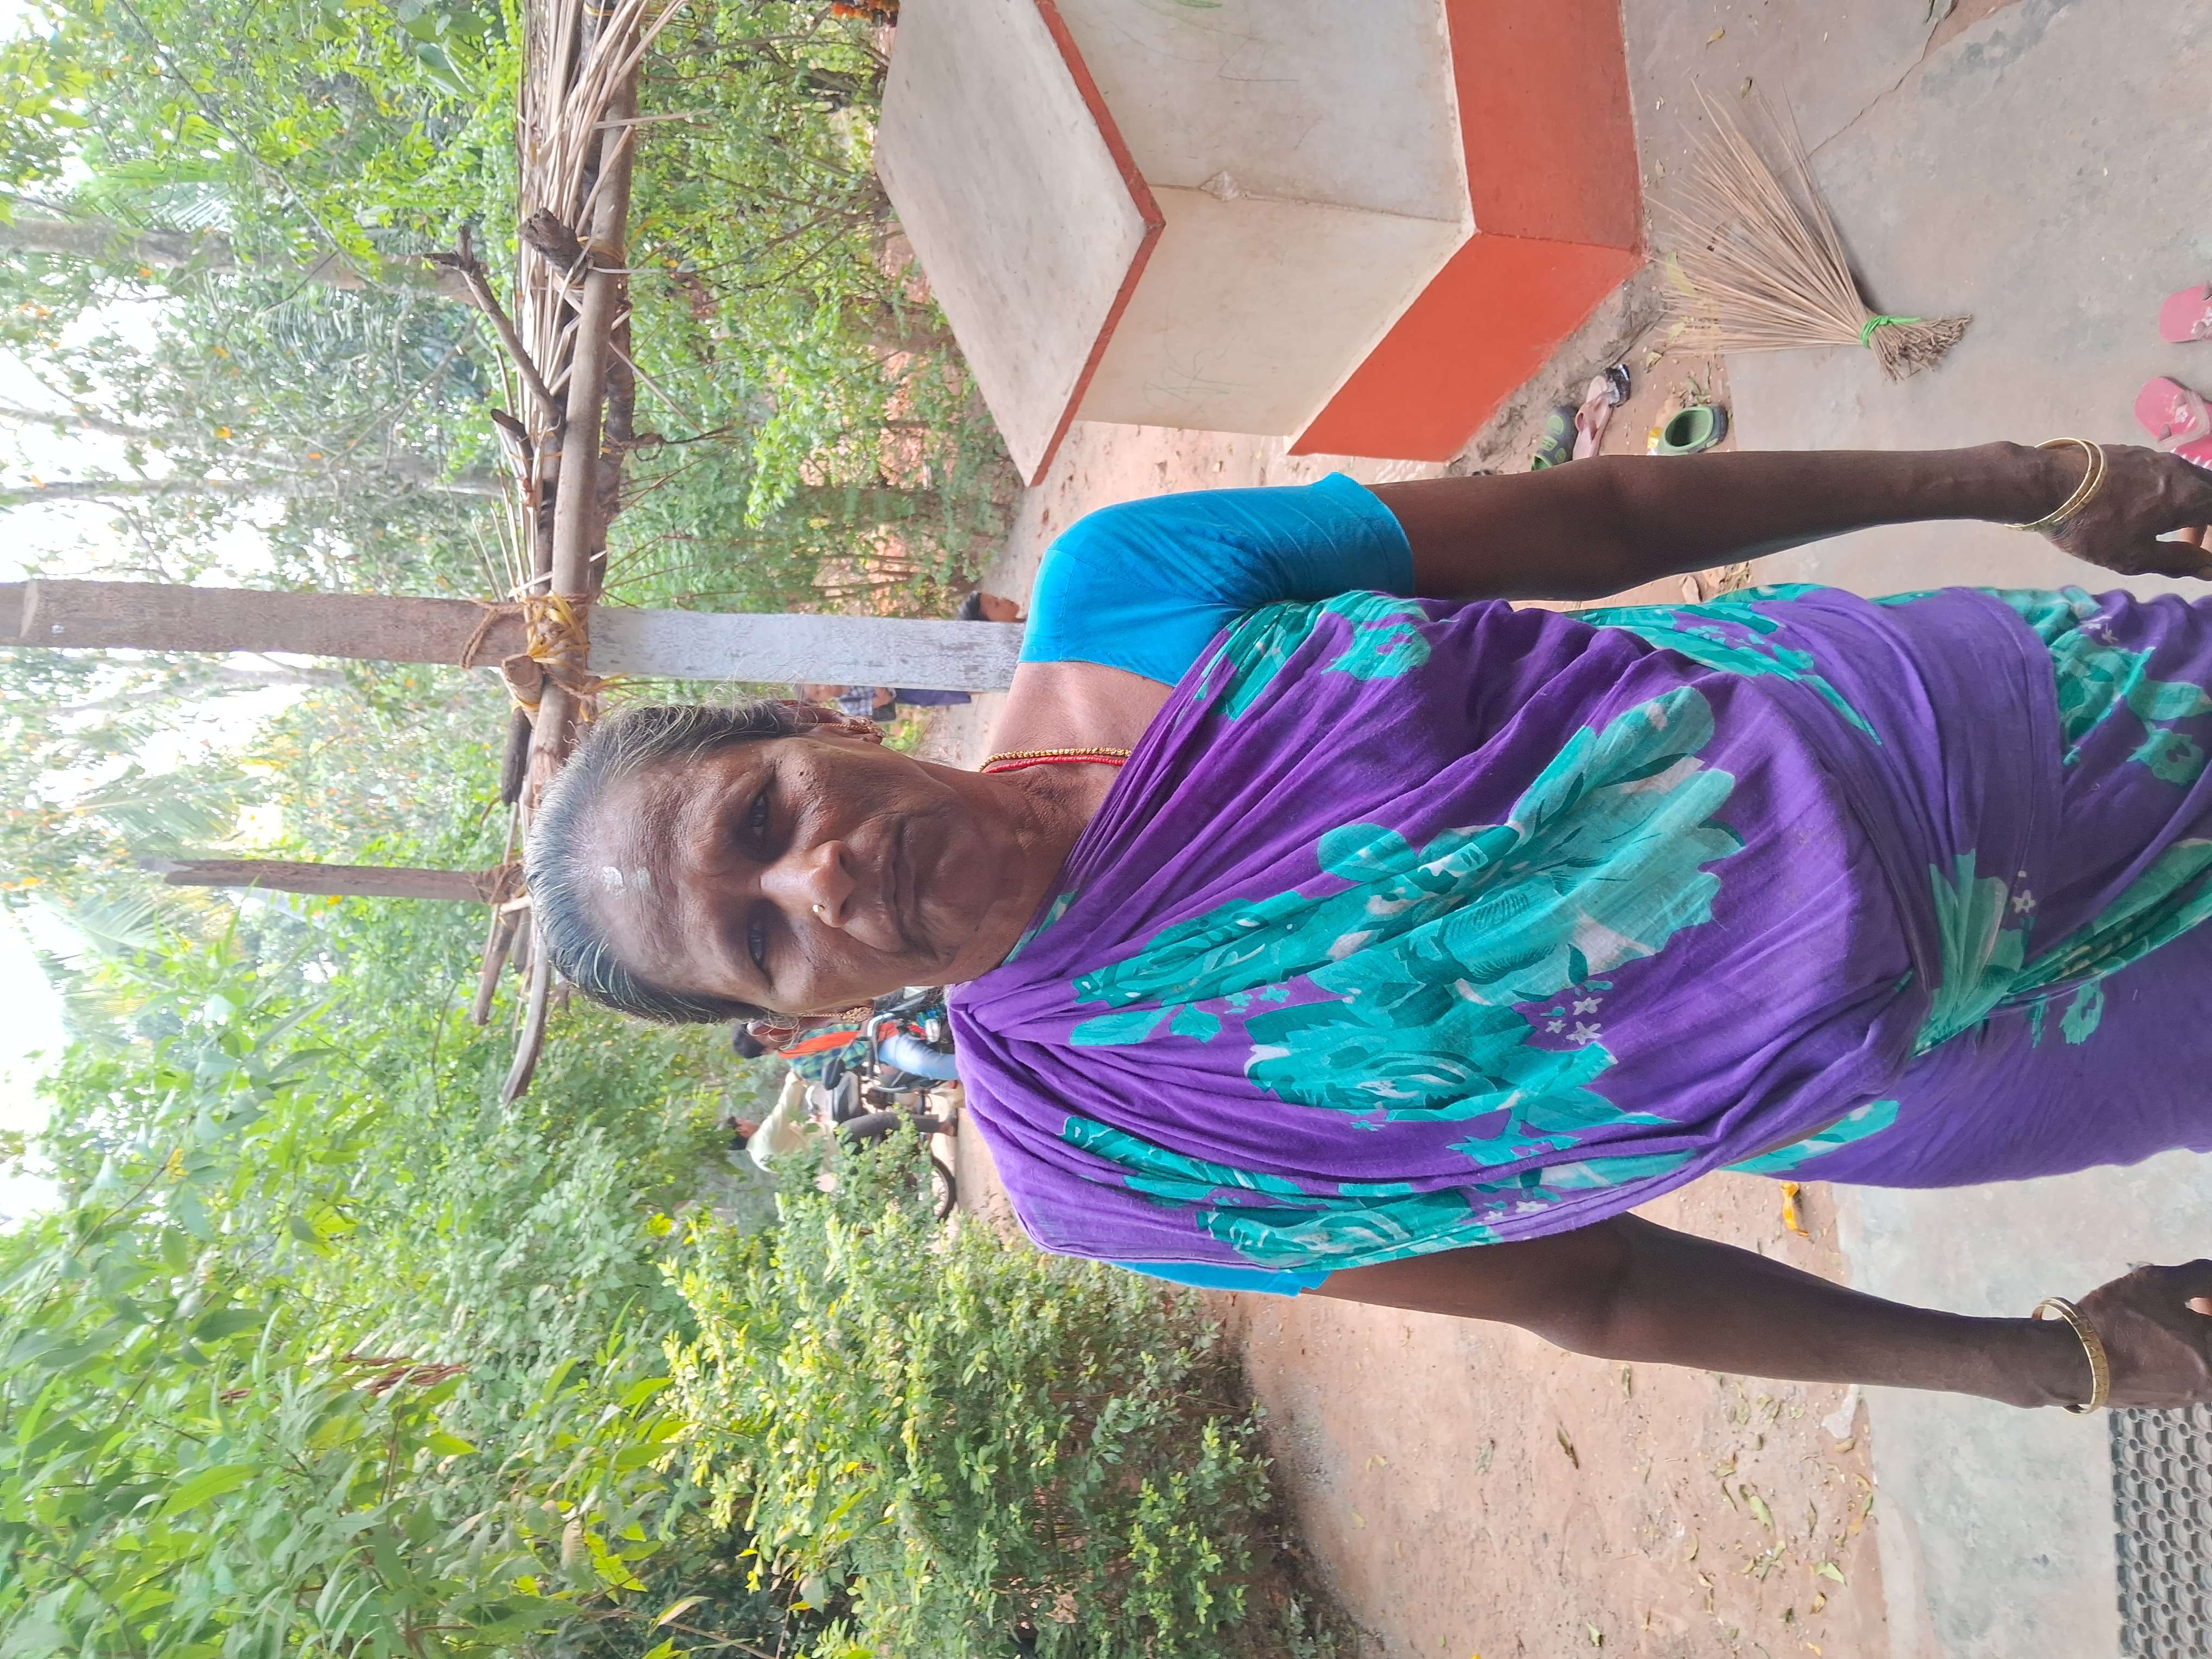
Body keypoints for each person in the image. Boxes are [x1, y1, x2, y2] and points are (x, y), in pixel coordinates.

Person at [528, 442, 2212, 1414]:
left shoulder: (1127, 589)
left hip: (1972, 730)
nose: (818, 881)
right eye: (762, 939)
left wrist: (2032, 477)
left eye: (761, 817)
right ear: (798, 1014)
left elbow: (1604, 524)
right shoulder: (1098, 1165)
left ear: (812, 719)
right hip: (1940, 1067)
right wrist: (2042, 1364)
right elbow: (1595, 1286)